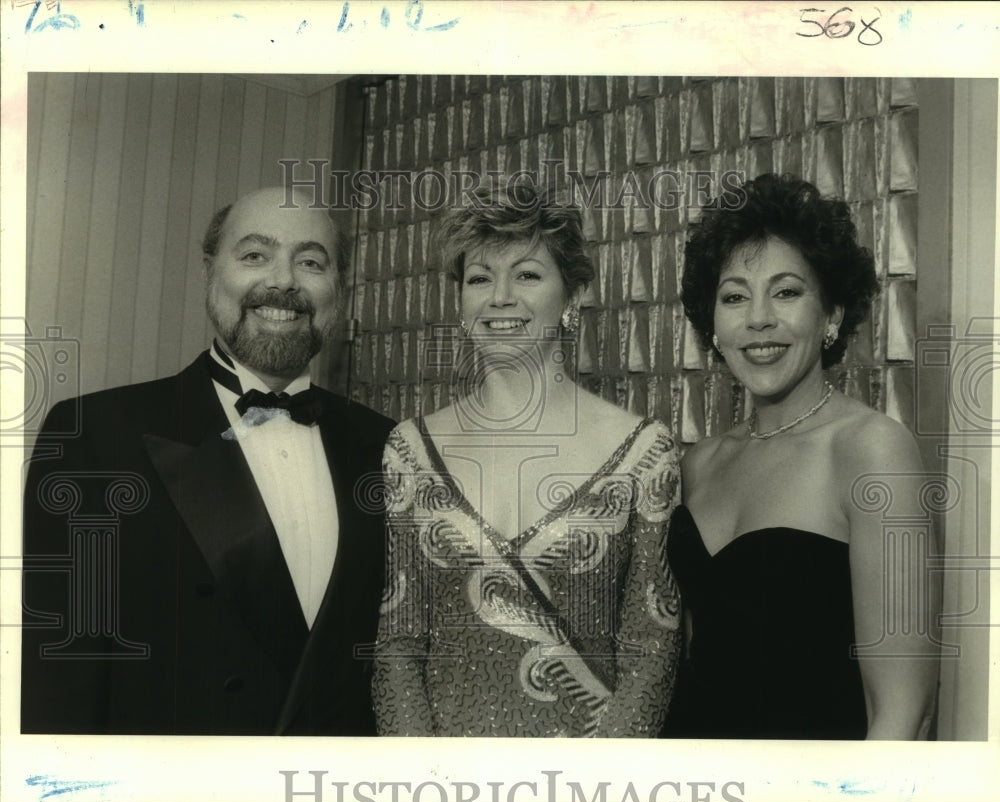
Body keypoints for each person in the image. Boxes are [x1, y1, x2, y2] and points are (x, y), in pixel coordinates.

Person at [21, 187, 395, 735]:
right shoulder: (97, 436)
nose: (283, 281)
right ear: (209, 272)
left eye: (311, 262)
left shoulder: (386, 445)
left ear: (339, 291)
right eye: (254, 255)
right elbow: (57, 675)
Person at [372, 181, 682, 737]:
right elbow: (399, 641)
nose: (500, 297)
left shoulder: (645, 451)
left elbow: (651, 648)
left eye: (528, 275)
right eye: (479, 278)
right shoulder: (408, 450)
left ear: (573, 296)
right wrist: (419, 780)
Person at [664, 173, 940, 740]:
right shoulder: (698, 465)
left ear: (832, 314)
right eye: (734, 296)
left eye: (786, 291)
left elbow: (901, 715)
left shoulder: (872, 450)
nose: (758, 318)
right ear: (713, 325)